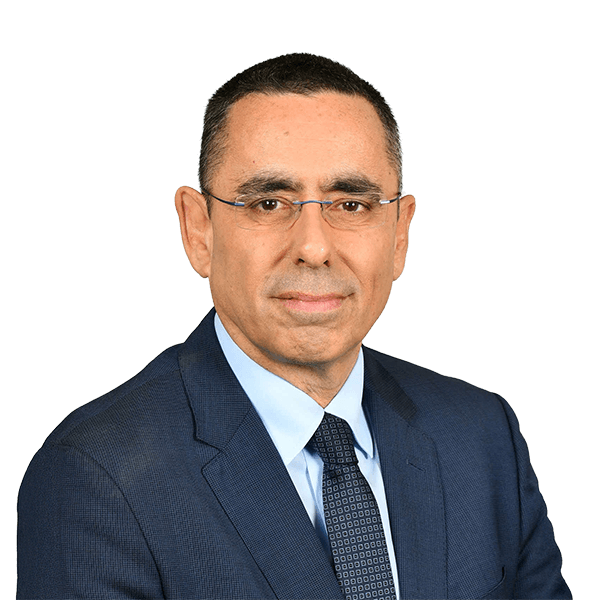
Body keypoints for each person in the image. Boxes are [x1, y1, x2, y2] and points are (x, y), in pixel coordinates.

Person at [17, 53, 570, 599]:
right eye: (268, 203)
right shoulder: (97, 476)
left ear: (400, 233)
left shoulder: (482, 432)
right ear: (198, 229)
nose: (313, 247)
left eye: (351, 205)